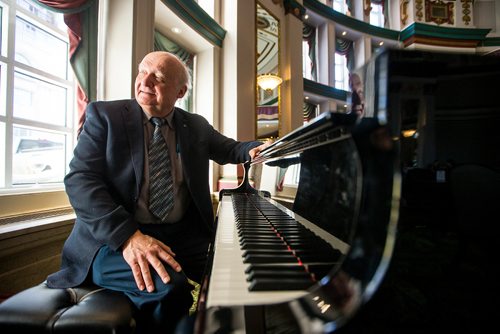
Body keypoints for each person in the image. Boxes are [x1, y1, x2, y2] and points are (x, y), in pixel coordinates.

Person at [47, 51, 269, 333]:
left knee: (238, 272)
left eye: (159, 77)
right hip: (114, 239)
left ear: (180, 91)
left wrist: (255, 150)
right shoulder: (105, 116)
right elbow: (80, 180)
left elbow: (231, 149)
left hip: (181, 234)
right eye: (142, 71)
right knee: (170, 288)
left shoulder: (195, 126)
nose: (145, 81)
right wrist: (129, 238)